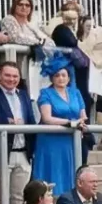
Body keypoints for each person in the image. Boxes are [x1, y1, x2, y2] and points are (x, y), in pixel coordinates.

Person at [30, 56, 87, 191]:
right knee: (52, 176)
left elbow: (83, 115)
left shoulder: (75, 92)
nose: (61, 78)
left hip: (70, 141)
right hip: (50, 141)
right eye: (57, 76)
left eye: (63, 75)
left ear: (68, 77)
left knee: (70, 176)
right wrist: (70, 123)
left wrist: (81, 124)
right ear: (52, 78)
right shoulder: (46, 93)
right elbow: (47, 118)